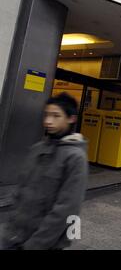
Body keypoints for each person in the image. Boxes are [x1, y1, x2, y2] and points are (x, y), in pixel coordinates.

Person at [1, 93, 88, 250]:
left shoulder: (75, 158)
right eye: (46, 115)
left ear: (71, 119)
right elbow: (21, 191)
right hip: (14, 237)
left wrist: (34, 245)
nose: (48, 121)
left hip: (45, 243)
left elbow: (66, 210)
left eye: (56, 116)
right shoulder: (37, 149)